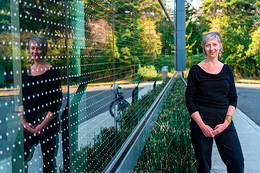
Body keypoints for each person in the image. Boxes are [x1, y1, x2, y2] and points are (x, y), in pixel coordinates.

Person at [185, 31, 244, 173]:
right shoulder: (195, 70)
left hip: (224, 122)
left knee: (237, 162)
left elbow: (233, 98)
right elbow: (189, 100)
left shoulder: (227, 70)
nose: (211, 48)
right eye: (207, 45)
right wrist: (202, 126)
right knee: (204, 167)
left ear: (220, 46)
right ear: (203, 48)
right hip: (201, 123)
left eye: (214, 44)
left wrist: (226, 122)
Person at [12, 36, 62, 173]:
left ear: (44, 50)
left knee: (48, 164)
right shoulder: (25, 72)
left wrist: (42, 126)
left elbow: (56, 102)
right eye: (32, 48)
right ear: (29, 50)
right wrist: (23, 122)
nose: (35, 52)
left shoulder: (53, 71)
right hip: (28, 125)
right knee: (17, 157)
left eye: (38, 48)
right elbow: (20, 99)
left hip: (47, 125)